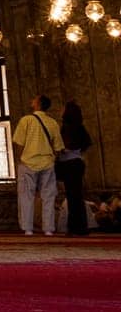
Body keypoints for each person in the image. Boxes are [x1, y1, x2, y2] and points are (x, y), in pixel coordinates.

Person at [12, 95, 62, 236]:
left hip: (28, 162)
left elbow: (19, 143)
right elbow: (58, 147)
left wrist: (20, 160)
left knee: (26, 196)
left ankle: (28, 228)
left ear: (38, 104)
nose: (31, 101)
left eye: (34, 99)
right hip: (47, 162)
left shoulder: (26, 120)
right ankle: (48, 229)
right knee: (48, 196)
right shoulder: (53, 123)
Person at [57, 101, 93, 237]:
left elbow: (63, 145)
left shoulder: (66, 127)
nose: (61, 110)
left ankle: (74, 228)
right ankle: (81, 227)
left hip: (69, 164)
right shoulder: (80, 127)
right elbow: (87, 143)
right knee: (77, 196)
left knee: (72, 197)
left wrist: (64, 149)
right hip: (77, 163)